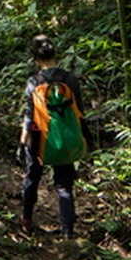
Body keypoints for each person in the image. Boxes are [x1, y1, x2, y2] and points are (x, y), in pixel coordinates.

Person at [18, 34, 95, 238]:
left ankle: (26, 219)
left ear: (34, 57)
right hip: (65, 136)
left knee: (32, 178)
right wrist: (86, 138)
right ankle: (68, 231)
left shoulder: (34, 82)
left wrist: (22, 142)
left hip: (39, 139)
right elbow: (79, 111)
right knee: (64, 186)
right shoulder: (70, 79)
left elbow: (28, 115)